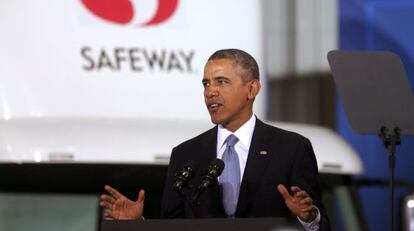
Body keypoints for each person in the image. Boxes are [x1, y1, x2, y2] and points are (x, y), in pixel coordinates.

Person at [100, 49, 331, 230]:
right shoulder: (185, 154)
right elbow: (172, 226)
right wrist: (138, 224)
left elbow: (322, 226)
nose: (210, 92)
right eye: (206, 83)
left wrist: (308, 217)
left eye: (221, 82)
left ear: (252, 89)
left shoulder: (291, 149)